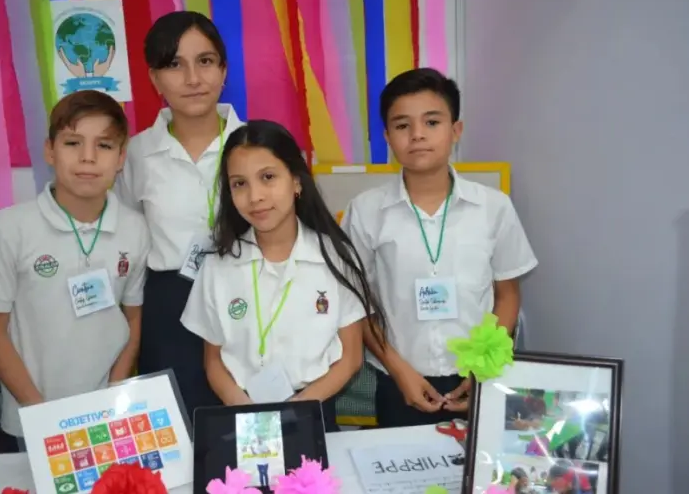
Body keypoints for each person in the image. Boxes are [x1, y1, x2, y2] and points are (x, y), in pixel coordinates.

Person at [342, 68, 538, 428]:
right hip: (397, 380)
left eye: (432, 122)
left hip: (477, 376)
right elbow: (356, 304)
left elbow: (507, 295)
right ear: (388, 136)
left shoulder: (494, 208)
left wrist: (482, 368)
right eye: (402, 126)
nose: (417, 135)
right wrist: (398, 370)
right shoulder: (365, 211)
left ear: (455, 130)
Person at [0, 91, 150, 450]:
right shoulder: (10, 227)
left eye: (104, 145)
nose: (87, 157)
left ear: (120, 158)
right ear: (50, 151)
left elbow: (131, 320)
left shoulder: (135, 228)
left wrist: (113, 396)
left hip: (104, 416)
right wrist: (41, 415)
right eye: (72, 143)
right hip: (33, 414)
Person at [180, 120, 387, 432]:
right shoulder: (218, 267)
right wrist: (244, 410)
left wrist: (300, 408)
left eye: (268, 177)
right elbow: (214, 361)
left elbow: (351, 358)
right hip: (243, 416)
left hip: (315, 409)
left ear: (296, 181)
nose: (256, 196)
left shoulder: (335, 258)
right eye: (239, 184)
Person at [114, 11, 243, 419]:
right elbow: (127, 237)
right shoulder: (135, 153)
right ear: (154, 79)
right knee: (179, 430)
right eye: (174, 64)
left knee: (248, 424)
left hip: (252, 295)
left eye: (205, 61)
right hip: (171, 305)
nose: (192, 78)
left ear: (223, 70)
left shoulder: (258, 144)